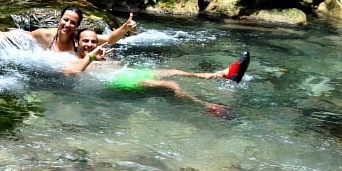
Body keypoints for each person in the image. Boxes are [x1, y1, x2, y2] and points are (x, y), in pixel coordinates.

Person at [64, 28, 250, 115]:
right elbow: (70, 72)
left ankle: (221, 74)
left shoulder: (102, 55)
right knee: (170, 86)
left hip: (130, 73)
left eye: (93, 41)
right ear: (77, 43)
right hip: (119, 81)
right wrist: (91, 59)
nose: (89, 44)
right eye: (85, 41)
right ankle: (208, 107)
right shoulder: (74, 60)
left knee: (173, 71)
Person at [19, 5, 137, 53]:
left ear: (77, 26)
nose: (67, 24)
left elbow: (109, 39)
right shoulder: (44, 35)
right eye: (65, 20)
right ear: (60, 19)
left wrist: (125, 27)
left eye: (73, 23)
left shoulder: (81, 38)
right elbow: (20, 36)